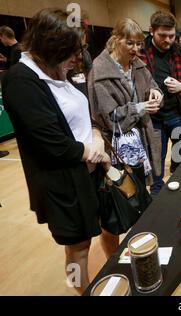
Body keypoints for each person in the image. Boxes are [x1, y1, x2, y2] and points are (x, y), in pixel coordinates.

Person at [1, 9, 113, 294]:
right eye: (73, 50)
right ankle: (81, 290)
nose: (78, 57)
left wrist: (97, 135)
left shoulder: (57, 71)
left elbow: (81, 115)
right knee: (77, 247)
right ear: (52, 46)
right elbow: (50, 142)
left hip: (86, 173)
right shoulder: (21, 80)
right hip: (61, 183)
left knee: (92, 237)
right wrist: (93, 151)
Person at [88, 18, 163, 187]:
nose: (136, 49)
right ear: (115, 40)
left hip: (141, 139)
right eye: (130, 43)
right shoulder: (100, 70)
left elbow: (153, 85)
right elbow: (109, 116)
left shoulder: (137, 64)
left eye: (139, 44)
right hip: (117, 145)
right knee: (124, 191)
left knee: (141, 188)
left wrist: (157, 93)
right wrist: (140, 107)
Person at [141, 11, 181, 194]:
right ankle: (156, 200)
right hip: (153, 120)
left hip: (180, 115)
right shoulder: (140, 52)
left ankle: (180, 195)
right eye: (162, 35)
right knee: (156, 162)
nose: (168, 40)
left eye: (171, 35)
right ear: (152, 31)